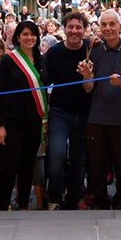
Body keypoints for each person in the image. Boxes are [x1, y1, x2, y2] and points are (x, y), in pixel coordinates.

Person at [79, 10, 121, 209]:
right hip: (97, 117)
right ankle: (100, 201)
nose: (107, 28)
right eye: (104, 24)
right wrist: (87, 75)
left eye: (111, 24)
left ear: (119, 25)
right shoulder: (94, 50)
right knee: (96, 165)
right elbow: (88, 88)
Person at [0, 21, 47, 211]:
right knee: (10, 164)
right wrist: (0, 125)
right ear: (17, 37)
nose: (29, 38)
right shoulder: (8, 60)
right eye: (25, 34)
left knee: (28, 164)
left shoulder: (41, 59)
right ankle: (3, 204)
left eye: (32, 34)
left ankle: (23, 204)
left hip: (34, 120)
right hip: (12, 121)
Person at [45, 11, 91, 210]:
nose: (74, 31)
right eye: (70, 27)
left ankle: (74, 197)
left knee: (79, 158)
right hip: (59, 111)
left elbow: (90, 86)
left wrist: (87, 75)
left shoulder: (91, 49)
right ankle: (54, 196)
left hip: (84, 112)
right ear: (64, 29)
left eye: (78, 27)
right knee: (57, 153)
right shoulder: (53, 53)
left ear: (84, 30)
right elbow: (46, 82)